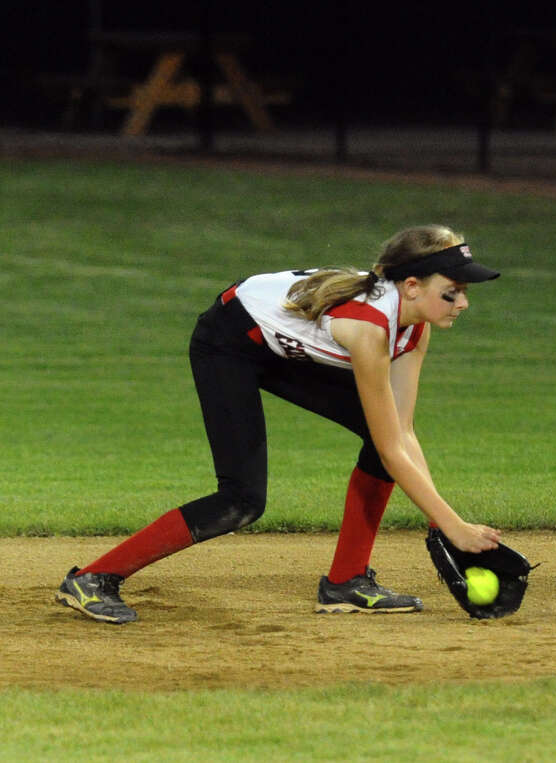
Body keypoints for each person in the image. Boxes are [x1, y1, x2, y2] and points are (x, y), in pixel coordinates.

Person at [55, 224, 503, 623]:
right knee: (242, 500)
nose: (463, 303)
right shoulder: (370, 329)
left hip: (277, 346)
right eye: (452, 292)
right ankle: (93, 578)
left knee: (381, 435)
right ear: (409, 286)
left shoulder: (414, 328)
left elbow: (401, 434)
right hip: (228, 342)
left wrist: (440, 523)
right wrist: (453, 526)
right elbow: (392, 448)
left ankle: (345, 582)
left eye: (465, 291)